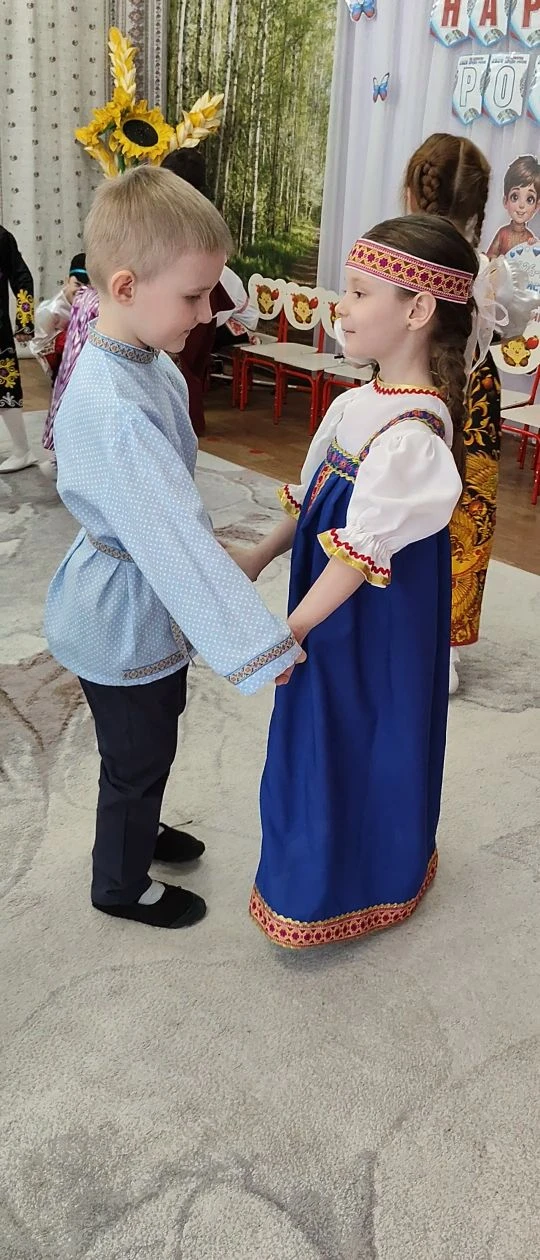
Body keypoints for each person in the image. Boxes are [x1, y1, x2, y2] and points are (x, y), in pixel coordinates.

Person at [44, 166, 303, 931]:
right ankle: (120, 884)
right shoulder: (116, 408)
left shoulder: (144, 361)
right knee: (137, 753)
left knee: (148, 739)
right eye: (194, 296)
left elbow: (170, 515)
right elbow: (173, 541)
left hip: (137, 599)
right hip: (122, 619)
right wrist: (260, 645)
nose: (209, 311)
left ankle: (140, 822)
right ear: (126, 286)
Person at [227, 214, 475, 948]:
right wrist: (261, 555)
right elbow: (314, 504)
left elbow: (361, 552)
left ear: (418, 310)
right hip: (330, 600)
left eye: (362, 292)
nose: (343, 305)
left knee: (367, 728)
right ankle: (310, 877)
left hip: (373, 619)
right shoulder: (352, 404)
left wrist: (295, 626)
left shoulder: (413, 435)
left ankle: (368, 878)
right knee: (316, 731)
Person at [404, 134, 538, 693]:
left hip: (407, 391)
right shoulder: (491, 270)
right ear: (483, 203)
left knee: (396, 501)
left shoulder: (398, 256)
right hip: (475, 395)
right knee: (469, 508)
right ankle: (447, 647)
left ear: (415, 189)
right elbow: (512, 325)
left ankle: (391, 624)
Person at [161, 148, 258, 434]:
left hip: (205, 298)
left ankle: (182, 426)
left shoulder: (201, 218)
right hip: (192, 296)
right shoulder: (171, 215)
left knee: (182, 364)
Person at [39, 282, 99, 478]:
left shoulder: (82, 297)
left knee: (69, 410)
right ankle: (66, 463)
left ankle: (61, 461)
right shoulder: (96, 301)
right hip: (85, 365)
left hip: (72, 365)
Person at [0, 225, 35, 473]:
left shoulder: (1, 238)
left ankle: (23, 450)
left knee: (5, 385)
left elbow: (22, 277)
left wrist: (25, 321)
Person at [30, 253, 89, 383]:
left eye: (88, 287)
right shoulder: (50, 311)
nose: (82, 291)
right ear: (67, 281)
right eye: (77, 284)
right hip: (60, 360)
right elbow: (38, 346)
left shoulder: (91, 303)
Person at [487, 155, 540, 259]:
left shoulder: (529, 238)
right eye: (515, 197)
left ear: (537, 206)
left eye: (529, 199)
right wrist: (497, 262)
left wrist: (534, 248)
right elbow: (490, 255)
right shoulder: (503, 233)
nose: (521, 205)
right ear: (505, 201)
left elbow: (531, 262)